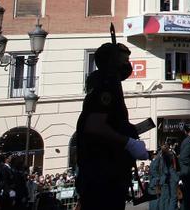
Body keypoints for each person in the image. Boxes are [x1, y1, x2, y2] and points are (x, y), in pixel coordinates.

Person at [74, 42, 148, 209]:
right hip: (103, 175)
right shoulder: (106, 84)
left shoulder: (103, 82)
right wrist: (128, 143)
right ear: (113, 62)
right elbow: (95, 125)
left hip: (106, 174)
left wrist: (129, 130)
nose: (128, 65)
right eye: (124, 60)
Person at [150, 140, 180, 210]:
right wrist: (159, 177)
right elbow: (168, 169)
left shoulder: (159, 157)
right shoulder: (164, 156)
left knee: (165, 198)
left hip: (163, 179)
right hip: (167, 179)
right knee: (169, 198)